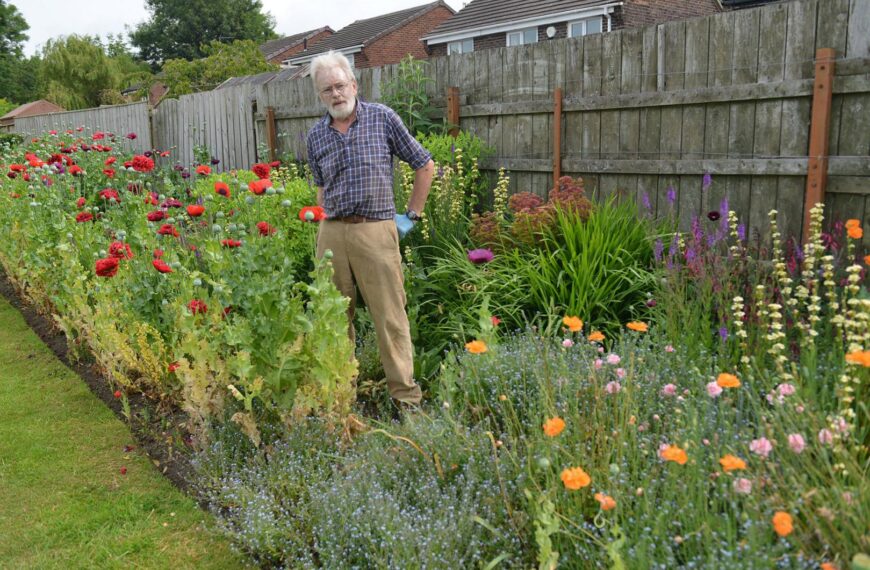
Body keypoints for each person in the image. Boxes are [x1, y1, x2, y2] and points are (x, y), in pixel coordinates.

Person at [305, 50, 434, 410]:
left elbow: (424, 165)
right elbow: (321, 186)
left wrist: (411, 216)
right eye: (327, 89)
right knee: (332, 318)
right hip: (331, 234)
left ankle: (405, 399)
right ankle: (341, 397)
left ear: (354, 85)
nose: (336, 94)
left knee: (390, 317)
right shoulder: (315, 136)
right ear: (320, 95)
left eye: (340, 85)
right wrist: (319, 226)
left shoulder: (382, 119)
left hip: (376, 231)